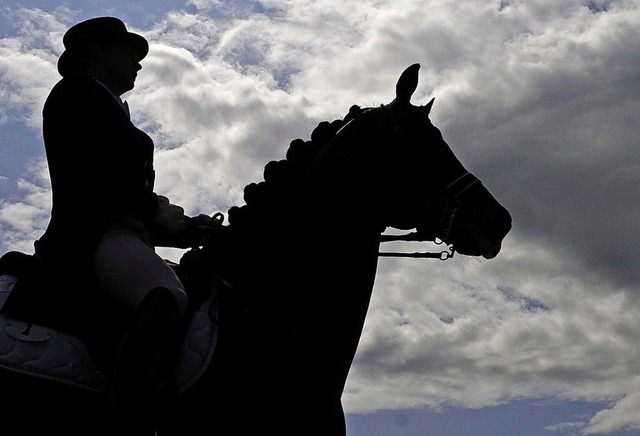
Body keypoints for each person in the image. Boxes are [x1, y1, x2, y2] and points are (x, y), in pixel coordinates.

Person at [33, 16, 210, 434]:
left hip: (123, 236)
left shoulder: (123, 120)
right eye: (128, 52)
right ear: (97, 53)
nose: (138, 62)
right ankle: (127, 422)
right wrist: (158, 212)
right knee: (166, 293)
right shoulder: (77, 94)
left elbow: (134, 206)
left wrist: (190, 229)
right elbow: (98, 180)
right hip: (91, 238)